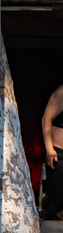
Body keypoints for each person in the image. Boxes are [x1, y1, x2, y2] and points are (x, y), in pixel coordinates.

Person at [42, 84, 63, 220]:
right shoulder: (61, 92)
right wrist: (49, 149)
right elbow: (46, 119)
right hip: (59, 152)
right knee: (55, 201)